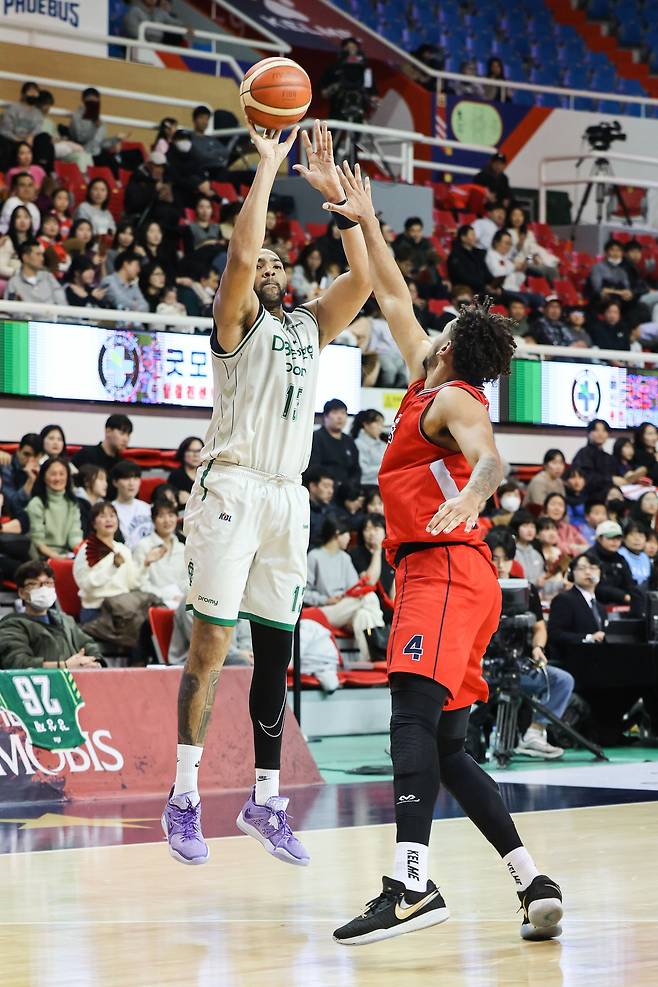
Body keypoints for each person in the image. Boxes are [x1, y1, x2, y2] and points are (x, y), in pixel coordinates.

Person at [326, 161, 562, 946]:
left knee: (410, 715)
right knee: (452, 748)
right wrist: (362, 215)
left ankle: (411, 885)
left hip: (445, 566)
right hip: (460, 575)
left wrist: (476, 492)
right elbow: (391, 291)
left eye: (447, 325)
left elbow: (489, 457)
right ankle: (534, 880)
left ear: (455, 348)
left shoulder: (456, 397)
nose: (431, 326)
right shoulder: (426, 385)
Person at [162, 121, 371, 867]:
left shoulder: (309, 326)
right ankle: (184, 795)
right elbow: (245, 253)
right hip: (232, 487)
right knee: (214, 643)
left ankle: (265, 801)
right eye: (268, 261)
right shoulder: (237, 319)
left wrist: (343, 207)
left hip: (287, 498)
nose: (275, 264)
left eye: (287, 259)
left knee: (275, 655)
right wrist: (270, 165)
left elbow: (365, 281)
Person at [485, 529, 573, 760]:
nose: (501, 564)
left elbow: (539, 627)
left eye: (506, 558)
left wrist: (537, 648)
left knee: (562, 680)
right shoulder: (476, 587)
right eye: (494, 558)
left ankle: (534, 733)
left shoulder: (526, 588)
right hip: (482, 668)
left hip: (519, 663)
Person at [305, 516, 384, 659]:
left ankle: (368, 664)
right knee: (369, 597)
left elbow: (354, 588)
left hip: (346, 608)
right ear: (337, 533)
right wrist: (325, 600)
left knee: (364, 615)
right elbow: (303, 593)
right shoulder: (314, 556)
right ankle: (383, 638)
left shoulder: (345, 558)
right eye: (347, 533)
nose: (349, 538)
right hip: (324, 611)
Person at [0, 561, 102, 670]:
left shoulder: (65, 620)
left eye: (48, 583)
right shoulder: (12, 625)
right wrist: (64, 666)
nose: (43, 588)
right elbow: (18, 663)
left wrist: (94, 661)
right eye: (34, 584)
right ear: (22, 592)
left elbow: (88, 643)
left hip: (74, 683)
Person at [73, 501, 139, 623]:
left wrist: (146, 564)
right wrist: (112, 568)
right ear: (93, 523)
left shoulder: (123, 549)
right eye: (103, 516)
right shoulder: (86, 550)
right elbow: (86, 585)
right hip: (96, 610)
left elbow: (132, 584)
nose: (109, 520)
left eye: (112, 516)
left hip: (122, 608)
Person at [547, 556, 607, 663]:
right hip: (573, 660)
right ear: (572, 573)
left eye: (593, 568)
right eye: (582, 568)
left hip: (597, 660)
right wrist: (589, 638)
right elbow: (555, 634)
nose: (588, 572)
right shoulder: (564, 599)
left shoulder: (600, 607)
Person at [25, 456, 83, 560]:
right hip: (41, 557)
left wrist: (80, 551)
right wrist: (58, 558)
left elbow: (75, 535)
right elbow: (38, 542)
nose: (58, 478)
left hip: (67, 554)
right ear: (43, 476)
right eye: (53, 474)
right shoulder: (36, 503)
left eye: (62, 474)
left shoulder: (72, 503)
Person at [133, 501, 187, 609]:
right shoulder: (143, 546)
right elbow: (139, 583)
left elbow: (187, 581)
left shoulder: (182, 548)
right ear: (153, 520)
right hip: (153, 603)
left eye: (171, 515)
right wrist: (167, 596)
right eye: (161, 516)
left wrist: (184, 597)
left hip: (181, 602)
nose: (167, 520)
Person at [586, 520, 641, 613]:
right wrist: (622, 596)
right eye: (610, 538)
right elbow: (594, 586)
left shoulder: (620, 559)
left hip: (621, 605)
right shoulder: (589, 558)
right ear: (599, 539)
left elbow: (630, 584)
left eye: (618, 538)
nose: (615, 542)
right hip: (594, 606)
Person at [308, 398, 361, 490]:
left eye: (343, 413)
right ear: (326, 416)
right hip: (326, 488)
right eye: (335, 413)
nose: (340, 417)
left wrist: (351, 487)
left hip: (347, 491)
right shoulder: (316, 437)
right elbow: (314, 467)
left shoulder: (349, 441)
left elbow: (356, 469)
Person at [72, 414, 133, 490]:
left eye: (128, 434)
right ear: (108, 431)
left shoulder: (122, 465)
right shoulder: (86, 454)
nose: (126, 439)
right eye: (122, 433)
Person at [6, 241, 66, 314]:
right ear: (25, 258)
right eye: (38, 254)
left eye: (42, 255)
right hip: (27, 323)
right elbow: (10, 311)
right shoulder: (14, 283)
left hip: (51, 322)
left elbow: (62, 303)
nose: (42, 258)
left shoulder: (48, 277)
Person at [572, 419, 623, 496]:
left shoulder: (609, 457)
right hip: (590, 495)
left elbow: (617, 476)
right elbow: (585, 478)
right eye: (596, 430)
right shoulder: (584, 453)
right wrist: (611, 480)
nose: (600, 434)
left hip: (610, 493)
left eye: (604, 431)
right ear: (589, 433)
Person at [111, 460, 153, 548]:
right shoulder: (111, 510)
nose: (131, 483)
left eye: (136, 478)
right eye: (126, 478)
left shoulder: (147, 508)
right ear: (115, 482)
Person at [587, 239, 633, 312]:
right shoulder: (597, 267)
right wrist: (620, 292)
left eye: (618, 250)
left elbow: (627, 289)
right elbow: (599, 290)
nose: (616, 253)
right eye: (612, 250)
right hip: (602, 300)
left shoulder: (622, 271)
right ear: (606, 252)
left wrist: (628, 294)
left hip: (619, 299)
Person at [1, 433, 40, 515]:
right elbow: (13, 506)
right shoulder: (6, 467)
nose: (30, 460)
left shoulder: (43, 469)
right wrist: (30, 480)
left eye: (35, 456)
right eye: (26, 454)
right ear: (18, 451)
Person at [447, 225, 492, 294]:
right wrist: (483, 285)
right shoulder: (455, 255)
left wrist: (493, 284)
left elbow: (486, 272)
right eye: (472, 235)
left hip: (482, 288)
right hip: (466, 290)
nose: (475, 238)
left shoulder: (479, 254)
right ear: (463, 238)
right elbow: (462, 277)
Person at [542, 493, 588, 558]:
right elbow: (560, 548)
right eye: (553, 504)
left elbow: (586, 547)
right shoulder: (540, 526)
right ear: (546, 507)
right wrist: (573, 547)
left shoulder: (569, 528)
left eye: (560, 505)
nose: (556, 508)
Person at [509, 510, 545, 585]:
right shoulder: (512, 553)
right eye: (525, 526)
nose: (530, 530)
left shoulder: (537, 554)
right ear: (517, 528)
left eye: (532, 526)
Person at [351, 409, 386, 487]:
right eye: (377, 423)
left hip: (384, 486)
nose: (380, 428)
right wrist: (385, 467)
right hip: (367, 488)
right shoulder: (358, 444)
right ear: (366, 424)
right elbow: (363, 471)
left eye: (382, 424)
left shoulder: (383, 444)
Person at [168, 436, 203, 508]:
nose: (195, 455)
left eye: (199, 451)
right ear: (183, 453)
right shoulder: (176, 475)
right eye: (191, 450)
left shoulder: (207, 474)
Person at [306, 467, 336, 548]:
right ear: (313, 487)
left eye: (332, 487)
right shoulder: (303, 509)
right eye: (326, 486)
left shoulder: (331, 510)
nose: (331, 491)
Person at [75, 464, 108, 536]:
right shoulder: (76, 504)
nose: (105, 484)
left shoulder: (105, 505)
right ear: (86, 482)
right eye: (101, 479)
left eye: (106, 480)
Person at [618, 520, 651, 588]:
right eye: (632, 535)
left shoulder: (645, 557)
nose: (637, 539)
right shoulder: (619, 555)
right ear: (624, 538)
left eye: (641, 536)